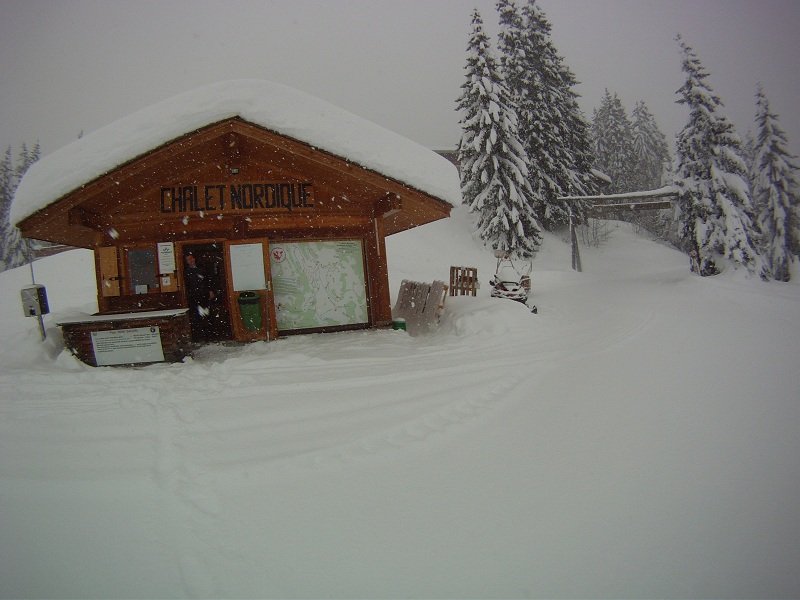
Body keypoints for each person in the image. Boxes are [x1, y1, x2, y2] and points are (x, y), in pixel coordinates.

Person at [183, 253, 215, 342]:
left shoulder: (202, 268)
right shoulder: (186, 272)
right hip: (194, 297)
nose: (190, 261)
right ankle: (200, 336)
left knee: (207, 314)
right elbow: (187, 285)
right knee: (196, 317)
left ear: (194, 258)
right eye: (188, 260)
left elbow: (209, 280)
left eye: (191, 258)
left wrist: (211, 290)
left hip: (204, 295)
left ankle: (210, 335)